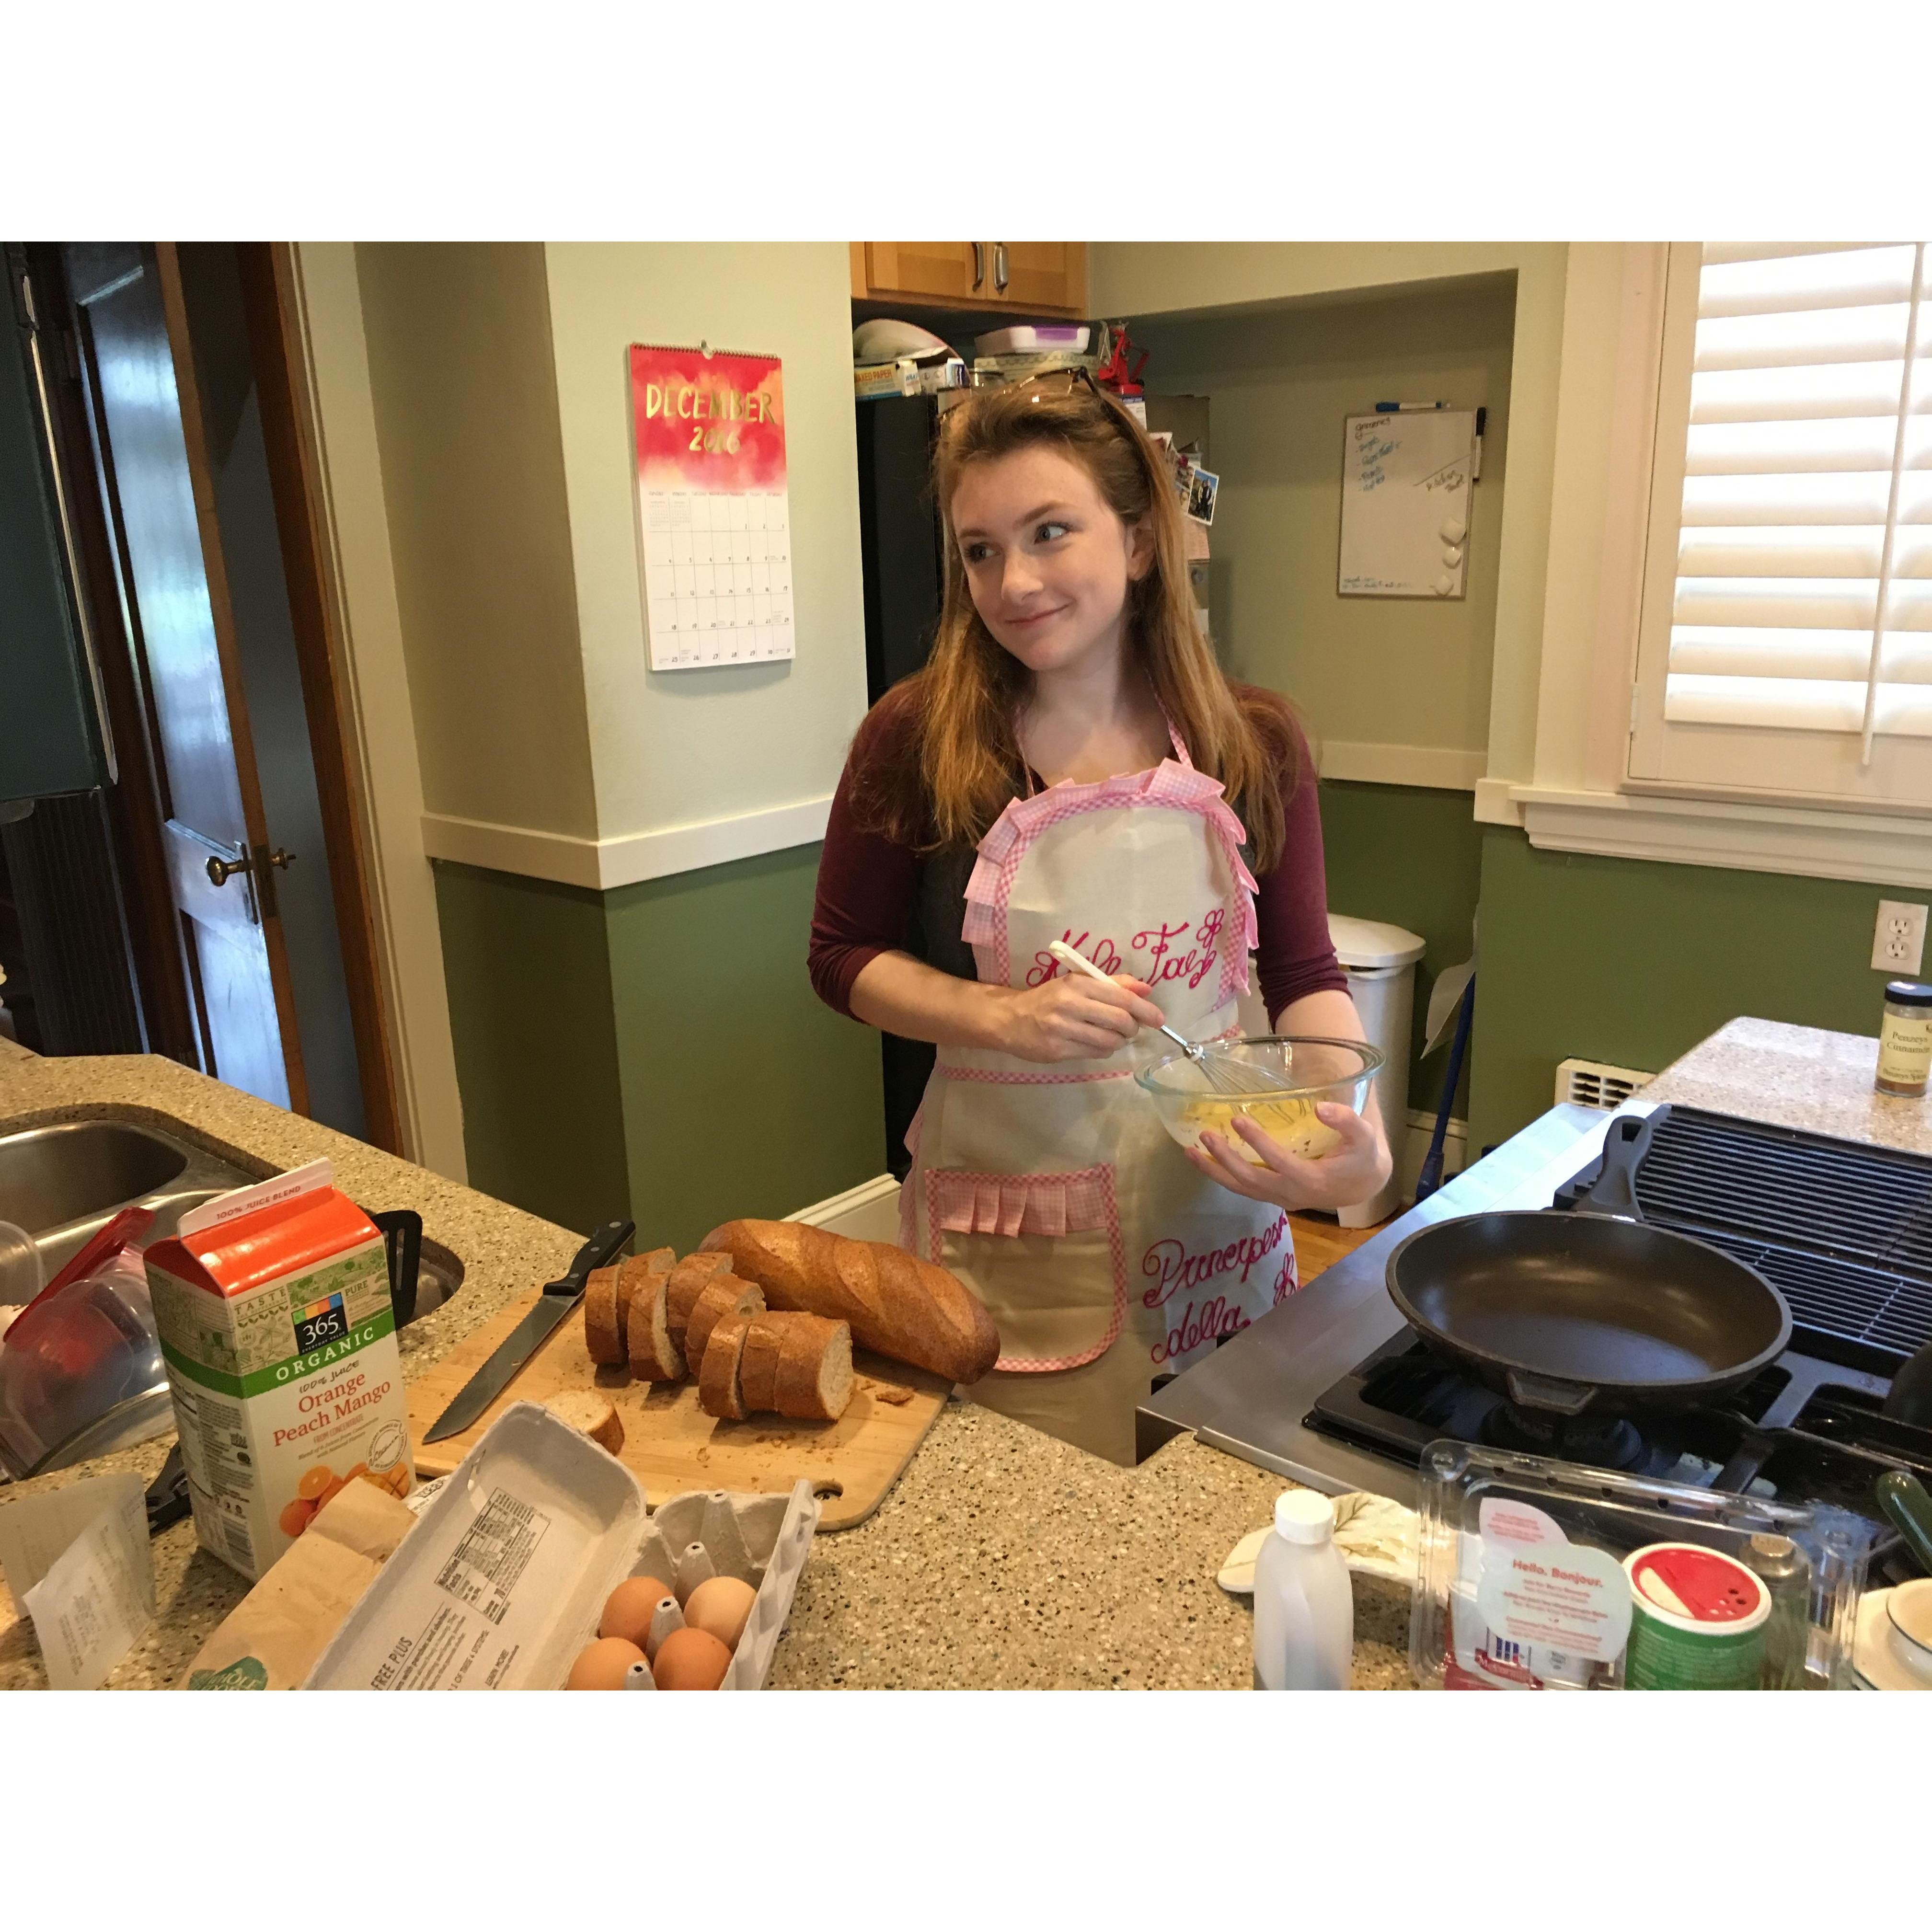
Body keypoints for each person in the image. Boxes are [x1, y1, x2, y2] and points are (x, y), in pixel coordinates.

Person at [809, 372, 1392, 1463]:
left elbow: (1306, 971)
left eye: (1049, 532)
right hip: (1017, 1240)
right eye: (979, 549)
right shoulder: (916, 738)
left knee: (1218, 1503)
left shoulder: (1253, 743)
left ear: (1136, 542)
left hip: (1215, 1215)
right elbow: (840, 958)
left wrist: (1348, 1126)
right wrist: (1000, 1019)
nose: (1013, 581)